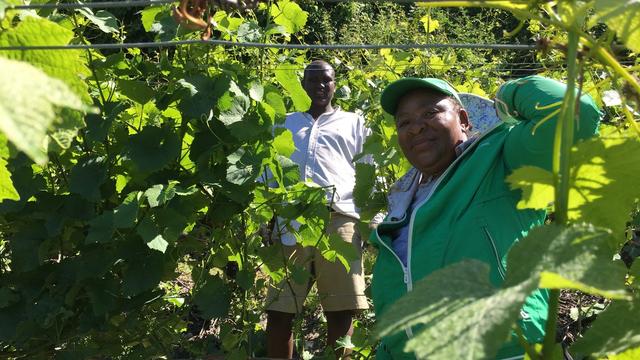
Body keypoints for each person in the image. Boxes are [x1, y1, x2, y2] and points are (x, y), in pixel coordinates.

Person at [370, 76, 601, 359]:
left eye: (430, 113)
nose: (416, 127)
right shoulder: (403, 199)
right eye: (404, 122)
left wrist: (508, 92)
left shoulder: (501, 159)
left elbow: (578, 113)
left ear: (464, 119)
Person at [265, 60, 371, 358]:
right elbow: (269, 174)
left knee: (341, 311)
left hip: (340, 220)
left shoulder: (355, 122)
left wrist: (370, 223)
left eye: (326, 80)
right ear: (303, 84)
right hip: (290, 222)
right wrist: (266, 221)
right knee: (279, 311)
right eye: (313, 81)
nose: (320, 87)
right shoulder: (285, 123)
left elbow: (367, 173)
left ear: (335, 83)